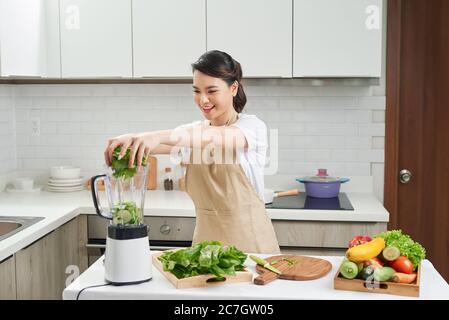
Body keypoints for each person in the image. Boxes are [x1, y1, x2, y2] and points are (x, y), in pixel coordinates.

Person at [104, 50, 280, 254]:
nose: (203, 99)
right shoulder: (193, 133)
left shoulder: (251, 128)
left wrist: (155, 136)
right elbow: (166, 142)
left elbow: (213, 137)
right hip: (205, 251)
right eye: (197, 91)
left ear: (233, 88)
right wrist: (131, 139)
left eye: (211, 91)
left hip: (252, 248)